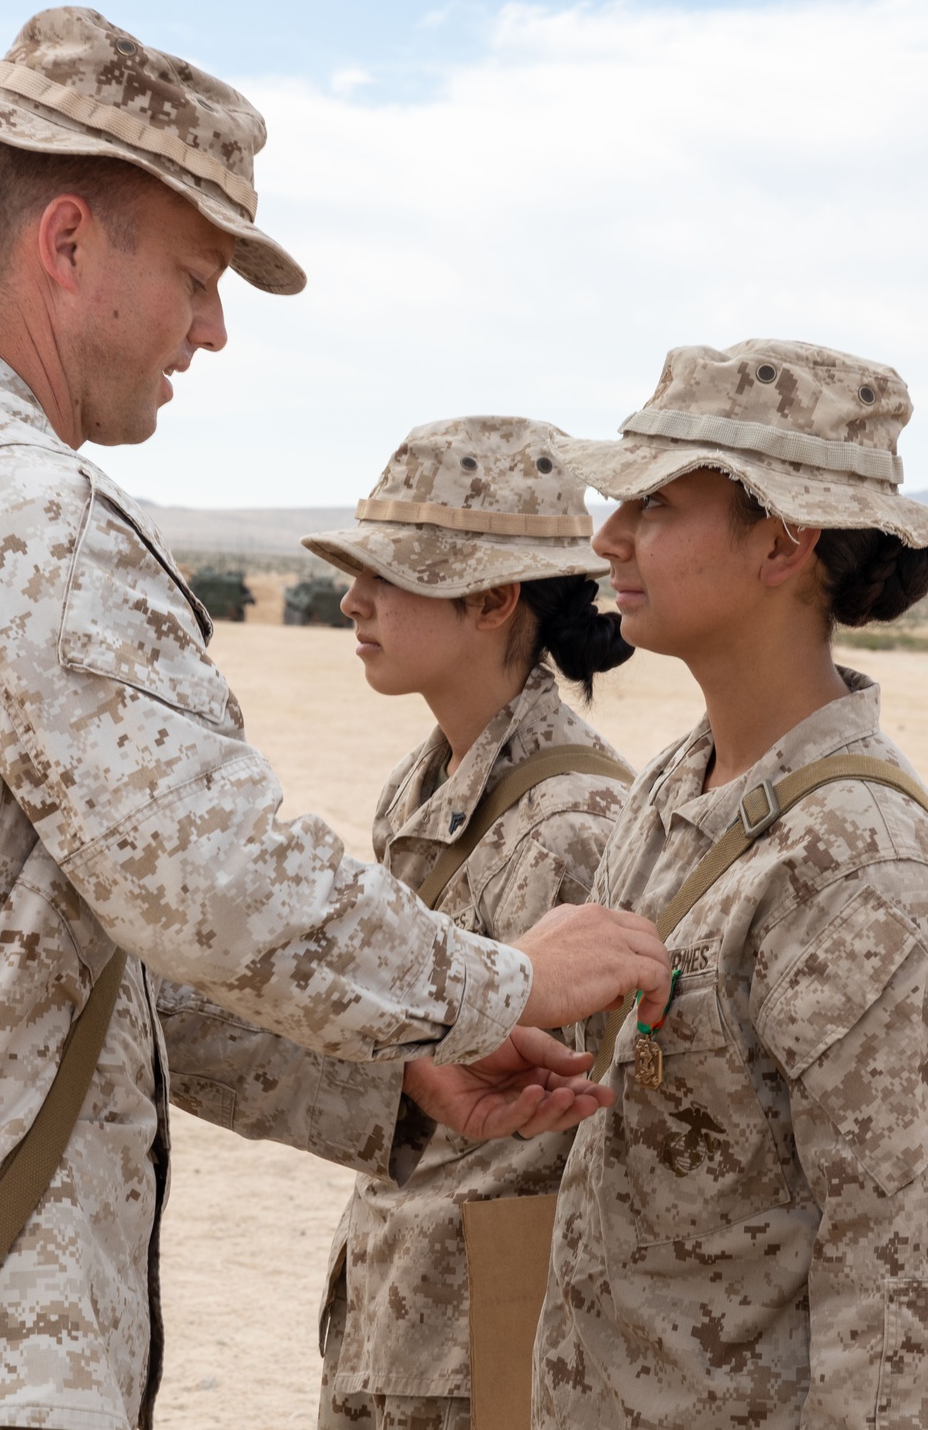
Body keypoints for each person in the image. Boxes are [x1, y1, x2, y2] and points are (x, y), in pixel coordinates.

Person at [0, 9, 674, 1430]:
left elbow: (70, 967)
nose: (212, 331)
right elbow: (208, 887)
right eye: (200, 277)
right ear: (67, 242)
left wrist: (397, 1081)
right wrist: (501, 985)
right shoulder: (26, 516)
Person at [531, 339, 928, 1428]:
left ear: (783, 542)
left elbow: (901, 1320)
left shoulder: (866, 876)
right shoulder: (680, 783)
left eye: (658, 504)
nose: (607, 536)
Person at [302, 415, 634, 1430]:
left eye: (390, 573)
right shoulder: (425, 786)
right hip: (396, 1311)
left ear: (493, 599)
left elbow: (582, 1134)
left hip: (485, 1349)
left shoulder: (572, 824)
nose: (354, 598)